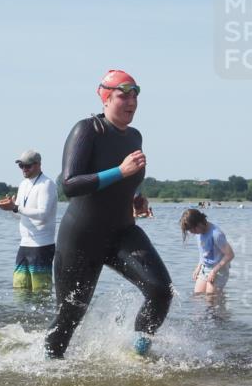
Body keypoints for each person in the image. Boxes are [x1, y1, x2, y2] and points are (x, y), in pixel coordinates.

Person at [44, 69, 173, 358]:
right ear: (105, 97)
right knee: (70, 316)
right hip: (82, 236)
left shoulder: (135, 136)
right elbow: (70, 185)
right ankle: (50, 368)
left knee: (161, 290)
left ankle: (138, 353)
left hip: (122, 232)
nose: (131, 102)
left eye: (135, 95)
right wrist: (121, 171)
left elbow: (126, 180)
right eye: (122, 95)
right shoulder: (87, 130)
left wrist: (136, 196)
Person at [0, 150, 57, 292]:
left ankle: (43, 315)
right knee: (20, 289)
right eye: (21, 166)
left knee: (40, 293)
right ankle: (20, 315)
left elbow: (43, 214)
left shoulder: (47, 184)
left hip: (42, 246)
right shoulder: (23, 184)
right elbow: (20, 214)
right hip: (24, 245)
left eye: (27, 166)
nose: (24, 169)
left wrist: (16, 207)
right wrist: (10, 209)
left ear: (38, 165)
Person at [180, 208, 235, 294]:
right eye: (190, 231)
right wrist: (198, 267)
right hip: (205, 268)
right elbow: (204, 253)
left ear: (200, 223)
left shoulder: (216, 234)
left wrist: (214, 271)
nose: (193, 233)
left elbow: (230, 255)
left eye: (193, 230)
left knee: (211, 299)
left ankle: (221, 305)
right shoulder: (199, 233)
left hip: (219, 270)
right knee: (198, 296)